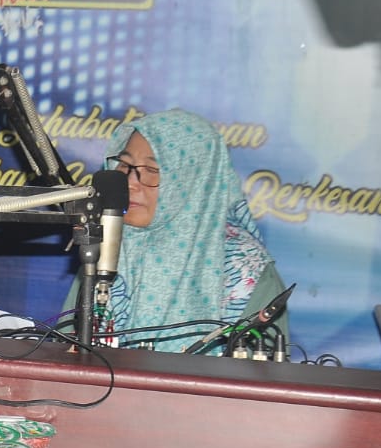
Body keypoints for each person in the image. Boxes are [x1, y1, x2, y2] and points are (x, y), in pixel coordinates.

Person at [67, 108, 287, 351]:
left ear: (194, 180)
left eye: (152, 171)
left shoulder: (245, 269)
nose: (130, 182)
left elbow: (262, 370)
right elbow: (65, 351)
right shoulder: (105, 247)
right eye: (125, 165)